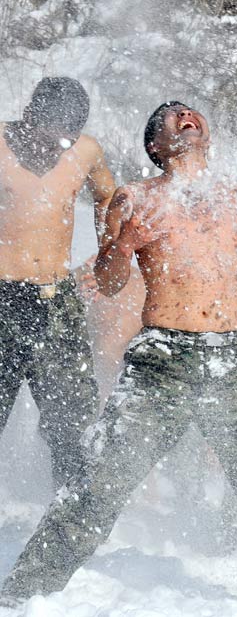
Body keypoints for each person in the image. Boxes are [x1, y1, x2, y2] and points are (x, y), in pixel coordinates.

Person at [1, 101, 237, 602]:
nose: (186, 116)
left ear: (207, 135)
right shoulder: (135, 197)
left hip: (231, 356)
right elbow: (110, 282)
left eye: (192, 112)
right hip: (162, 358)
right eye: (173, 116)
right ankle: (22, 596)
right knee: (96, 485)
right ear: (155, 145)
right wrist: (123, 244)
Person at [0, 77, 115, 488]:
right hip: (2, 295)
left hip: (55, 299)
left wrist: (106, 254)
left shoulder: (86, 151)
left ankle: (68, 514)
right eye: (49, 141)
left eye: (66, 143)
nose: (55, 152)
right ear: (29, 118)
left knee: (72, 418)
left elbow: (107, 197)